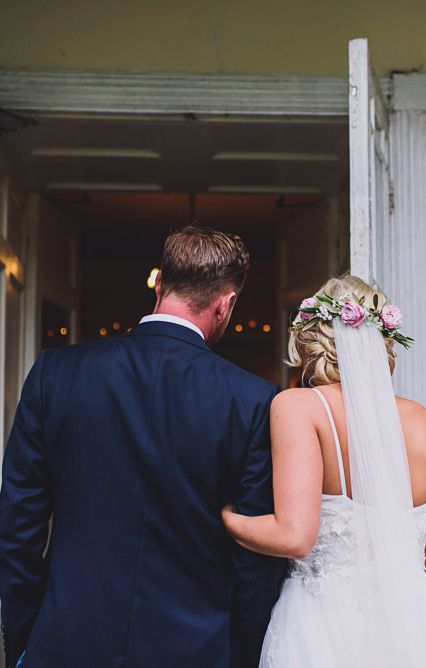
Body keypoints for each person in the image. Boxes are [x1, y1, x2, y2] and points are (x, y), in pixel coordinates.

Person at [0, 226, 286, 668]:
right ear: (226, 304)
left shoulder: (56, 374)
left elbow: (17, 526)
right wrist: (241, 654)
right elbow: (255, 563)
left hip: (65, 642)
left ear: (159, 284)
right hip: (195, 650)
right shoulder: (252, 400)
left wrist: (25, 637)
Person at [222, 275, 426, 667]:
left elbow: (293, 537)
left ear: (310, 339)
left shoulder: (299, 407)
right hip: (416, 624)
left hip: (324, 620)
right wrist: (386, 560)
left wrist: (226, 520)